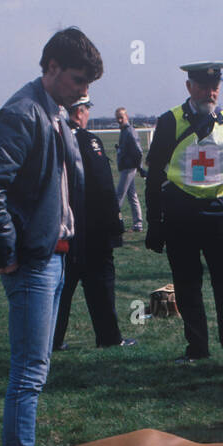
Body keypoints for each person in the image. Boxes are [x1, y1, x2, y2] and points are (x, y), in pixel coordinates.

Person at [0, 27, 100, 446]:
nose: (84, 91)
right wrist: (5, 253)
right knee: (28, 373)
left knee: (35, 370)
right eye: (79, 80)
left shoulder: (54, 112)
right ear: (51, 68)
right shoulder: (25, 113)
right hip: (33, 263)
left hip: (52, 257)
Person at [144, 60, 223, 368]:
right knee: (188, 286)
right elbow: (153, 178)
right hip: (181, 215)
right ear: (189, 87)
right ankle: (197, 347)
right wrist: (155, 223)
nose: (211, 92)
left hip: (218, 216)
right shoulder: (170, 121)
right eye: (204, 87)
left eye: (215, 87)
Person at [53, 97, 133, 350]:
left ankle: (51, 339)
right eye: (86, 109)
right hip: (93, 229)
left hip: (63, 228)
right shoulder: (89, 141)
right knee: (101, 286)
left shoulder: (53, 139)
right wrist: (115, 222)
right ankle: (109, 337)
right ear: (79, 112)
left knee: (61, 289)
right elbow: (103, 186)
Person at [113, 107, 144, 232]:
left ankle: (113, 222)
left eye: (121, 117)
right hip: (127, 167)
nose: (119, 120)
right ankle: (138, 223)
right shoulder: (124, 131)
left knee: (119, 195)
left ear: (127, 117)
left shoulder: (130, 131)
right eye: (118, 118)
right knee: (132, 196)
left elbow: (138, 151)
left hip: (129, 168)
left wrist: (138, 166)